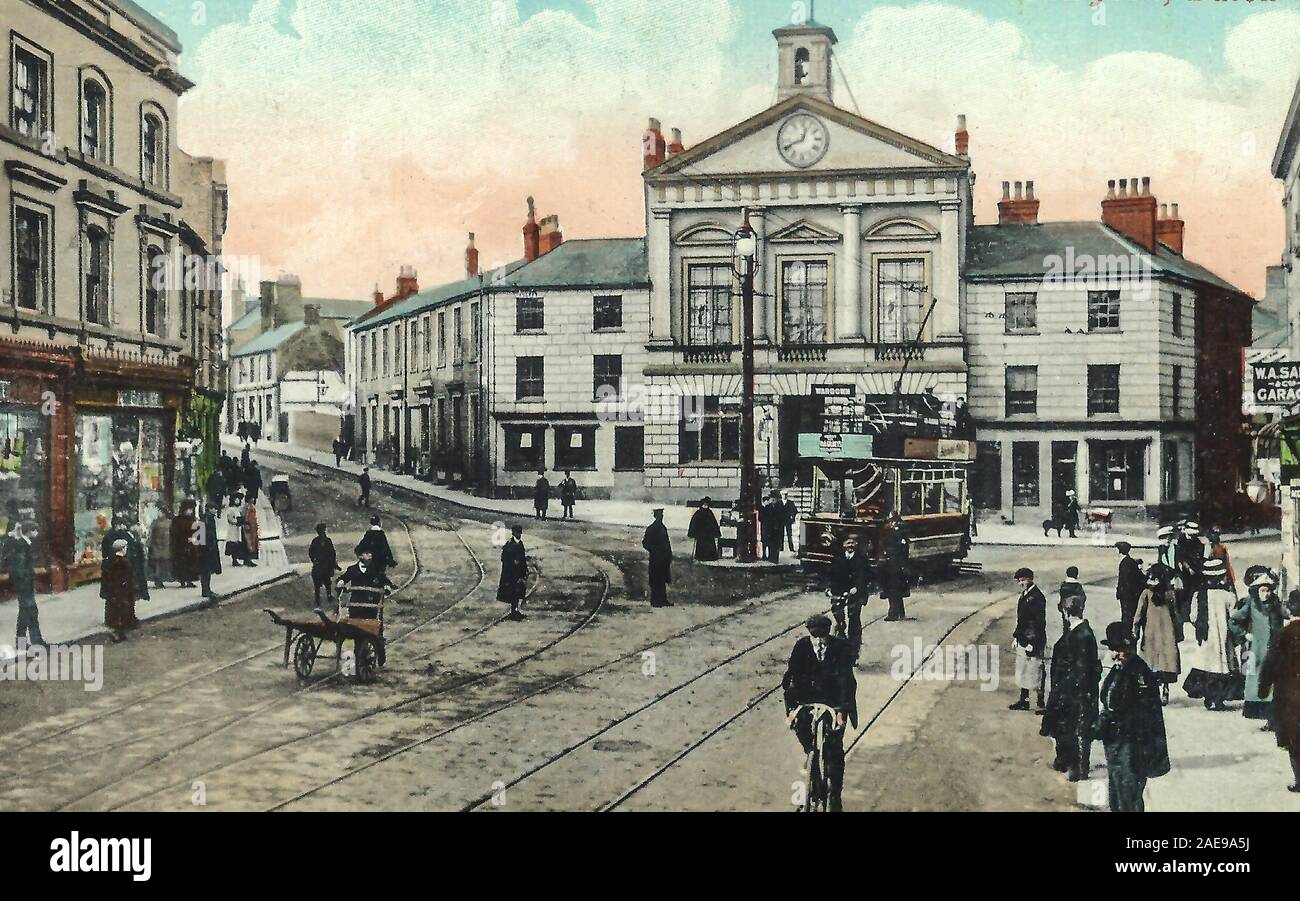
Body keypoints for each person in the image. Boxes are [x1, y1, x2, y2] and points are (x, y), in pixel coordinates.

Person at [782, 614, 858, 812]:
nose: (819, 642)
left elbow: (846, 681)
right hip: (806, 702)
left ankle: (835, 795)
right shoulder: (801, 647)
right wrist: (791, 710)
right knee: (805, 737)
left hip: (834, 704)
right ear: (809, 634)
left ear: (828, 632)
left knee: (834, 750)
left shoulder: (840, 648)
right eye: (815, 638)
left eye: (822, 637)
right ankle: (813, 776)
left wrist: (842, 709)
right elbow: (791, 680)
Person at [1095, 622, 1171, 812]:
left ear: (1129, 647)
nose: (1115, 654)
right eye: (1113, 649)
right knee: (1117, 795)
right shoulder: (1120, 668)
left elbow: (1134, 712)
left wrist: (1104, 722)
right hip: (1117, 745)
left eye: (1119, 649)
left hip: (1131, 747)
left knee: (1129, 797)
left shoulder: (1139, 672)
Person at [1040, 591, 1100, 782]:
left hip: (1073, 693)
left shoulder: (1081, 634)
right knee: (1065, 727)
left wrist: (1064, 689)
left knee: (1074, 729)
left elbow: (1081, 670)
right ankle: (1065, 761)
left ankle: (1076, 768)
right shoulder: (1078, 631)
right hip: (1069, 690)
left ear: (1066, 612)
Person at [1182, 557, 1242, 711]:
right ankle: (1219, 698)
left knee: (1206, 666)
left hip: (1206, 636)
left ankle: (1209, 697)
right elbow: (1234, 617)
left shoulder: (1199, 595)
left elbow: (1193, 617)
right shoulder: (1228, 596)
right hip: (1223, 636)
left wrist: (1200, 626)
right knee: (1222, 666)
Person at [1258, 593, 1300, 792]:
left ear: (1290, 609)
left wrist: (1263, 687)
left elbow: (1270, 663)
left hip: (1289, 698)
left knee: (1294, 739)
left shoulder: (1284, 634)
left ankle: (1299, 779)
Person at [1231, 570, 1285, 723]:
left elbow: (1286, 615)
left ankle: (1272, 719)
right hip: (1256, 651)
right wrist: (1244, 635)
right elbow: (1234, 620)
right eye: (1262, 590)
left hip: (1274, 650)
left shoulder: (1275, 603)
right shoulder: (1250, 604)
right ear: (1256, 591)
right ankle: (1262, 714)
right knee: (1256, 682)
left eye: (1268, 590)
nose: (1266, 594)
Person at [336, 549, 395, 665]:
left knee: (373, 631)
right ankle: (359, 656)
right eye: (366, 553)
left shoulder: (376, 569)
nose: (369, 556)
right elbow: (344, 577)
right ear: (359, 556)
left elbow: (385, 580)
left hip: (371, 606)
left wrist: (387, 586)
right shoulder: (352, 569)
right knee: (357, 631)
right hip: (356, 607)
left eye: (370, 553)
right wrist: (341, 582)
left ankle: (379, 653)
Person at [1134, 568, 1180, 705]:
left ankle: (1155, 692)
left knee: (1151, 664)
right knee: (1166, 663)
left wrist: (1135, 630)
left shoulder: (1146, 594)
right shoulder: (1170, 594)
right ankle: (1166, 689)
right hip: (1167, 634)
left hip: (1151, 634)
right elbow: (1175, 614)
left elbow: (1138, 614)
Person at [2, 522, 46, 648]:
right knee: (27, 612)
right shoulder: (22, 544)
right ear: (30, 531)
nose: (36, 533)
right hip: (24, 583)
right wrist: (32, 573)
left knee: (29, 612)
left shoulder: (24, 543)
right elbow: (20, 567)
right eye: (35, 531)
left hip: (24, 582)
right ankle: (28, 641)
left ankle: (34, 641)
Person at [1010, 567, 1047, 712]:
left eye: (1023, 580)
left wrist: (1032, 642)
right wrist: (1017, 637)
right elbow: (1021, 620)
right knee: (1023, 670)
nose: (1021, 583)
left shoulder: (1037, 597)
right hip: (1023, 639)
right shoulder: (1025, 595)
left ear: (1030, 579)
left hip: (1033, 640)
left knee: (1036, 670)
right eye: (1019, 581)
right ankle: (1024, 701)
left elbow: (1037, 622)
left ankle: (1040, 702)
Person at [827, 535, 871, 652]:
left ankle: (854, 648)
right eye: (848, 543)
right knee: (838, 614)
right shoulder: (838, 558)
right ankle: (840, 637)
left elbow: (865, 576)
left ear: (856, 545)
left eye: (853, 543)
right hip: (840, 590)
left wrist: (857, 587)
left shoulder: (861, 559)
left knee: (854, 618)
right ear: (843, 545)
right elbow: (832, 575)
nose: (850, 545)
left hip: (857, 593)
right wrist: (829, 588)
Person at [101, 515, 149, 602]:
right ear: (117, 525)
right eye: (122, 524)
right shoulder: (118, 535)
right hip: (122, 562)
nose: (124, 526)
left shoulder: (116, 535)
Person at [101, 538, 140, 639]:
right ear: (123, 549)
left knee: (114, 608)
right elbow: (129, 578)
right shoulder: (125, 562)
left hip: (113, 589)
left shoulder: (109, 561)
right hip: (123, 589)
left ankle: (115, 626)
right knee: (123, 609)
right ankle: (120, 631)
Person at [1174, 521, 1205, 640]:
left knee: (1194, 594)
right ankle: (1183, 616)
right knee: (1182, 595)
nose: (1192, 537)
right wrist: (1187, 567)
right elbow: (1180, 557)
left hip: (1195, 573)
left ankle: (1191, 615)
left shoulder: (1198, 543)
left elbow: (1199, 557)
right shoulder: (1180, 542)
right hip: (1183, 573)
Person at [878, 515, 911, 622]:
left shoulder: (894, 535)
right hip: (895, 566)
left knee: (893, 589)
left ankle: (893, 613)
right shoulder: (899, 535)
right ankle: (900, 612)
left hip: (893, 566)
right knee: (896, 590)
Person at [642, 509, 673, 608]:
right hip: (656, 558)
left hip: (661, 557)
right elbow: (645, 543)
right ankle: (656, 601)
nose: (661, 517)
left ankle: (662, 600)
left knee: (660, 579)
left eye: (662, 515)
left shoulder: (661, 528)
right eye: (660, 515)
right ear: (656, 516)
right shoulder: (653, 528)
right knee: (657, 579)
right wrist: (655, 550)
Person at [497, 525, 528, 620]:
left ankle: (516, 611)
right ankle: (513, 612)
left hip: (519, 572)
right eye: (517, 533)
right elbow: (504, 558)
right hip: (511, 574)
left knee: (518, 593)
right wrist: (513, 562)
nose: (519, 535)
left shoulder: (520, 543)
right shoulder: (509, 544)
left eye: (520, 533)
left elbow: (523, 558)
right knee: (513, 593)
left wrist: (525, 570)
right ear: (513, 533)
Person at [1115, 541, 1145, 633]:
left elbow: (1126, 581)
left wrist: (1121, 593)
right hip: (1128, 595)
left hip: (1128, 596)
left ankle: (1127, 635)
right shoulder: (1128, 561)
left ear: (1119, 550)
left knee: (1127, 617)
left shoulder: (1126, 563)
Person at [355, 516, 397, 580]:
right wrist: (390, 558)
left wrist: (358, 551)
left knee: (370, 573)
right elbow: (385, 546)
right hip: (380, 559)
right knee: (380, 574)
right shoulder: (381, 533)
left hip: (371, 558)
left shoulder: (368, 533)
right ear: (379, 523)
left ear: (371, 523)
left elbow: (363, 544)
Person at [171, 500, 201, 589]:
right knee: (182, 564)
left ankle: (189, 580)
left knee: (191, 563)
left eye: (191, 510)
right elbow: (175, 533)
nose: (190, 511)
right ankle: (183, 581)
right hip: (181, 545)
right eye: (188, 509)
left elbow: (197, 533)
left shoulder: (193, 520)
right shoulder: (177, 520)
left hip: (191, 546)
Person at [309, 523, 340, 608]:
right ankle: (326, 595)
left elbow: (311, 552)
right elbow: (332, 553)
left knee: (321, 581)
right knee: (326, 581)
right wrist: (334, 564)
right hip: (324, 564)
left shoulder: (316, 541)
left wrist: (314, 560)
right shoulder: (326, 540)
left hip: (320, 564)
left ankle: (320, 597)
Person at [198, 502, 222, 599]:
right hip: (206, 549)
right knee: (206, 570)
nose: (216, 511)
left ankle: (206, 589)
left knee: (207, 570)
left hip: (208, 548)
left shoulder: (208, 518)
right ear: (210, 509)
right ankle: (206, 590)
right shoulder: (206, 519)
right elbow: (200, 535)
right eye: (214, 509)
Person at [687, 497, 722, 562]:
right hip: (701, 534)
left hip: (709, 534)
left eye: (706, 505)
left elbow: (714, 523)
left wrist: (715, 532)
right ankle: (701, 556)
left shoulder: (710, 513)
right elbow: (694, 523)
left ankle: (710, 557)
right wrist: (693, 532)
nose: (705, 506)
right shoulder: (698, 513)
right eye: (704, 505)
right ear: (701, 505)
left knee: (710, 545)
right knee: (701, 545)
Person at [149, 506, 174, 588]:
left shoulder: (169, 522)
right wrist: (150, 544)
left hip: (166, 545)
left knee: (164, 563)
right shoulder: (155, 522)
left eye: (161, 512)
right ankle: (158, 580)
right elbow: (151, 534)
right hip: (157, 544)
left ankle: (162, 579)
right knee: (157, 563)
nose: (159, 514)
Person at [1205, 530, 1235, 595]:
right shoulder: (1214, 547)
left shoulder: (1220, 548)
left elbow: (1224, 561)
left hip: (1221, 571)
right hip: (1217, 571)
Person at [1057, 565, 1085, 631]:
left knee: (1066, 626)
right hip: (1076, 610)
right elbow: (1083, 598)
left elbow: (1062, 597)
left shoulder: (1063, 585)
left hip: (1065, 610)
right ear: (1076, 575)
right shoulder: (1078, 586)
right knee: (1077, 626)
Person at [760, 492, 784, 563]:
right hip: (769, 529)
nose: (773, 500)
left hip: (778, 529)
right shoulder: (767, 507)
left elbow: (782, 517)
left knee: (776, 545)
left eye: (775, 499)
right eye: (772, 498)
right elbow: (763, 517)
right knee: (770, 544)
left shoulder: (780, 507)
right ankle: (771, 558)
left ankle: (775, 558)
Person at [240, 495, 260, 567]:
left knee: (252, 544)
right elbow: (245, 517)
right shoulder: (246, 507)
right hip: (248, 528)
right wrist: (246, 524)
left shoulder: (250, 506)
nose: (253, 499)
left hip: (252, 528)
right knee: (248, 544)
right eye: (252, 498)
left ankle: (248, 559)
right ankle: (247, 559)